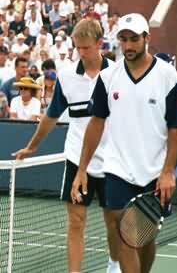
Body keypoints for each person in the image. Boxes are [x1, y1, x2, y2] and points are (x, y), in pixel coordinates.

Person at [71, 13, 177, 273]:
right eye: (123, 40)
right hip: (117, 170)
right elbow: (96, 123)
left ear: (147, 38)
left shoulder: (167, 76)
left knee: (145, 239)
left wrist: (168, 171)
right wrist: (82, 169)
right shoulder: (108, 77)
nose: (128, 46)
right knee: (124, 235)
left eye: (134, 39)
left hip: (154, 172)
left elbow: (175, 128)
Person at [13, 18, 121, 273]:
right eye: (78, 48)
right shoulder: (67, 77)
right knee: (75, 221)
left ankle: (114, 264)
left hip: (111, 159)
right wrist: (32, 146)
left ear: (99, 43)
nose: (81, 53)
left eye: (86, 48)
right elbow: (51, 116)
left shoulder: (118, 73)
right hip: (76, 157)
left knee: (113, 222)